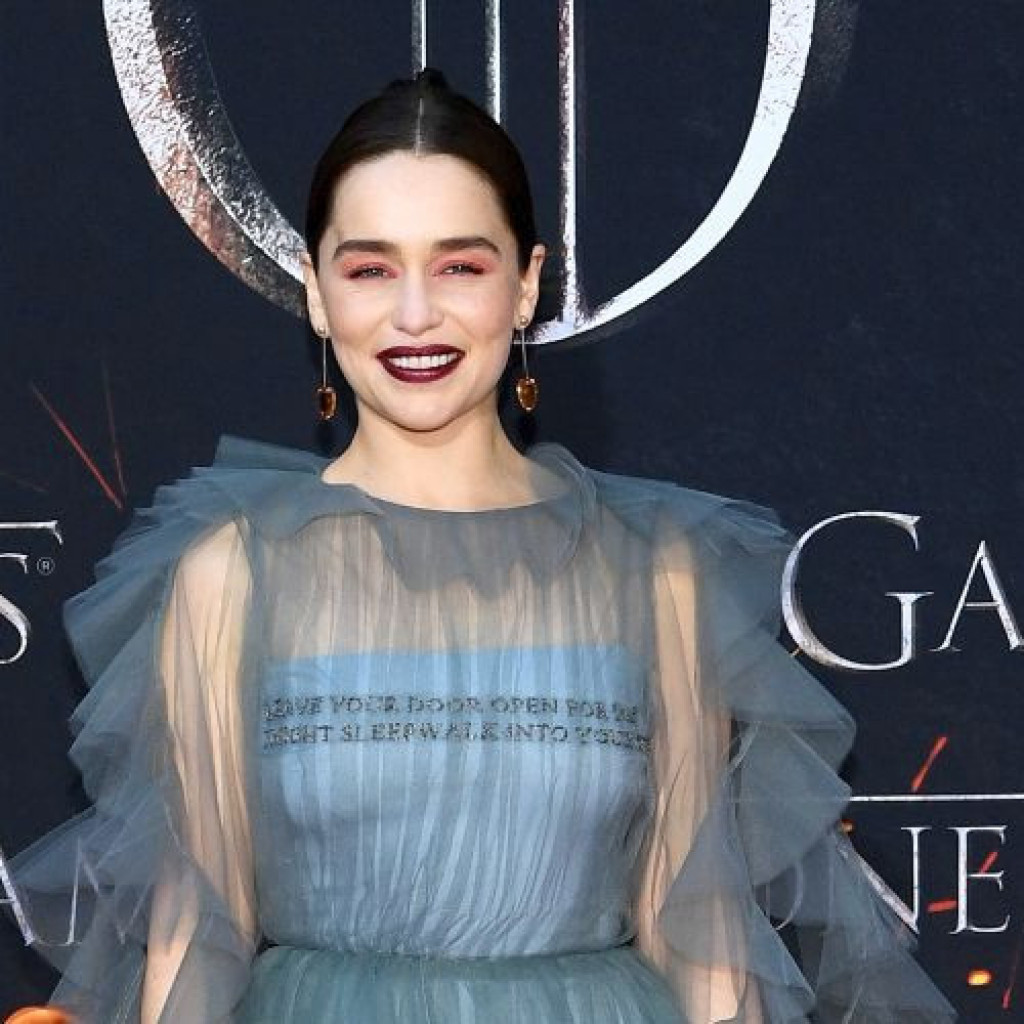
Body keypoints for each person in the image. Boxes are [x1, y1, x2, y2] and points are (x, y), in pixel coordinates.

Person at [4, 69, 956, 1023]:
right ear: (318, 293)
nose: (415, 314)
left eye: (460, 266)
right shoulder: (233, 572)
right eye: (370, 269)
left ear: (527, 283)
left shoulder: (650, 569)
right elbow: (194, 937)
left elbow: (698, 933)